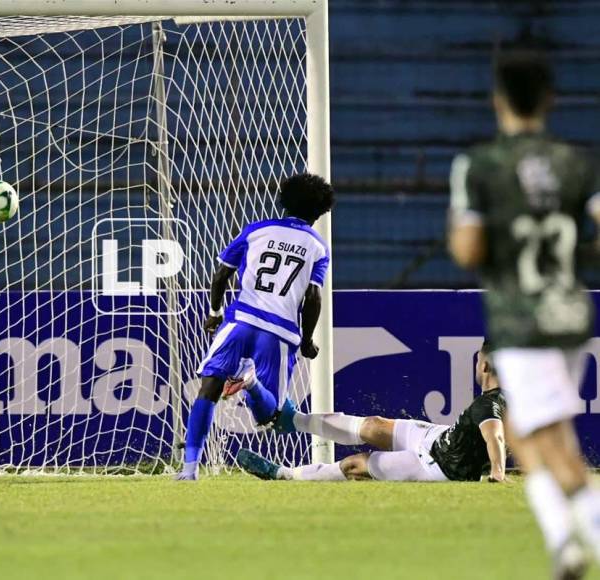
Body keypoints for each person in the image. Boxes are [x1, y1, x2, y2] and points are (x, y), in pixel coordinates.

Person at [448, 50, 600, 579]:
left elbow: (467, 250)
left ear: (497, 101)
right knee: (537, 431)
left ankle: (579, 537)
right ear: (550, 101)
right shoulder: (577, 164)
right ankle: (566, 545)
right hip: (570, 313)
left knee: (538, 437)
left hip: (520, 318)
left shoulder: (480, 164)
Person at [175, 172, 334, 480]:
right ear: (319, 213)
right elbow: (313, 297)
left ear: (284, 201)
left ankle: (189, 470)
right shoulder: (318, 247)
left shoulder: (257, 230)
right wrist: (308, 338)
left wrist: (215, 311)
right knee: (267, 415)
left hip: (241, 319)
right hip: (279, 331)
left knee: (209, 387)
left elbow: (221, 275)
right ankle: (252, 383)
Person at [237, 341, 506, 483]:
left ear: (483, 367)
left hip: (439, 467)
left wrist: (497, 472)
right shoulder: (507, 400)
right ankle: (292, 420)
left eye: (478, 360)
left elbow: (495, 437)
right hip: (440, 439)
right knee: (373, 425)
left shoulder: (490, 403)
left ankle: (282, 474)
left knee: (356, 465)